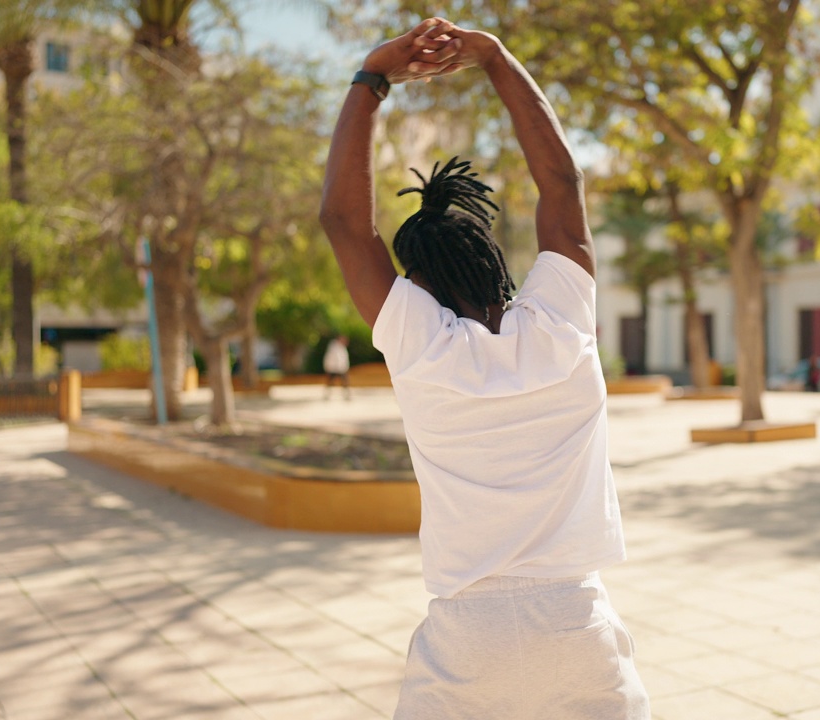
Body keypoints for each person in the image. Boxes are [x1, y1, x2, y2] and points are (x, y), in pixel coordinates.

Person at [318, 17, 649, 720]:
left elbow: (346, 225)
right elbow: (561, 182)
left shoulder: (421, 343)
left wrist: (372, 79)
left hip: (466, 636)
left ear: (419, 284)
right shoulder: (563, 323)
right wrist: (494, 58)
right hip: (576, 622)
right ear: (495, 261)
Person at [322, 335, 351, 400]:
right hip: (334, 368)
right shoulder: (333, 347)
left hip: (341, 368)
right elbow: (330, 358)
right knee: (330, 382)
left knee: (345, 382)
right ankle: (327, 395)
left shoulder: (342, 348)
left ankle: (346, 395)